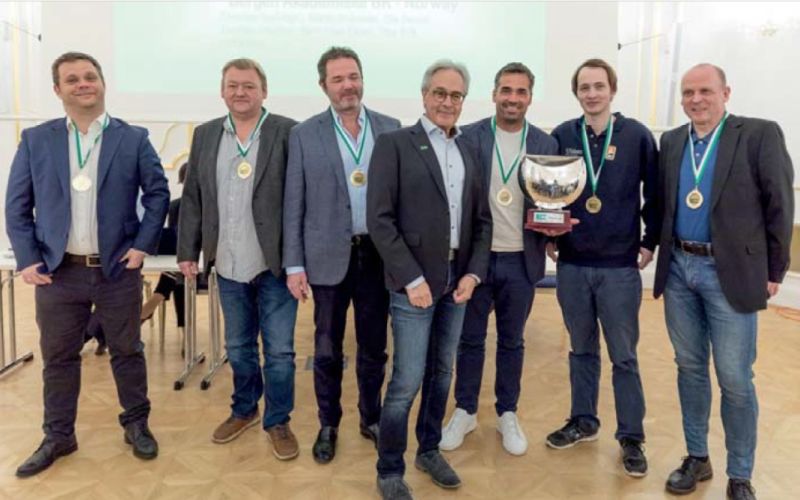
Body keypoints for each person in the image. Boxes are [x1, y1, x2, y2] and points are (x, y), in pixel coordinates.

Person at [6, 51, 169, 477]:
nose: (83, 84)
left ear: (102, 83)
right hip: (58, 273)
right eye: (72, 79)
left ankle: (136, 424)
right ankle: (59, 435)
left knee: (127, 351)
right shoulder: (36, 140)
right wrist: (28, 258)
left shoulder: (132, 138)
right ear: (57, 90)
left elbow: (157, 194)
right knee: (58, 357)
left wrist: (143, 245)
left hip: (117, 270)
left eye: (90, 76)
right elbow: (17, 205)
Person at [654, 63, 794, 500]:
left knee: (734, 377)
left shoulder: (758, 134)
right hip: (679, 270)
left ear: (725, 93)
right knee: (690, 368)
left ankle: (740, 474)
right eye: (688, 92)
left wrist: (774, 269)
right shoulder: (671, 141)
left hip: (729, 272)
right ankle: (697, 457)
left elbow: (779, 203)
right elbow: (661, 203)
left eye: (705, 91)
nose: (696, 99)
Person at [367, 59, 492, 500]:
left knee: (442, 373)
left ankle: (429, 450)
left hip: (458, 282)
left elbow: (482, 221)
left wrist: (474, 273)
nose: (447, 101)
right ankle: (389, 468)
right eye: (439, 92)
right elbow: (380, 220)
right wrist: (411, 278)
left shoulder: (470, 149)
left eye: (456, 95)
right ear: (424, 95)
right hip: (414, 286)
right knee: (406, 381)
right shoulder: (395, 144)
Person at [177, 58, 300, 460]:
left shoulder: (288, 131)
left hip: (275, 265)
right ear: (222, 91)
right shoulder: (206, 134)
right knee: (239, 347)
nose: (240, 92)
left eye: (248, 85)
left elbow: (301, 198)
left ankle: (278, 420)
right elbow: (193, 197)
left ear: (264, 91)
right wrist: (188, 250)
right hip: (228, 264)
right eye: (232, 85)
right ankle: (245, 409)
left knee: (279, 353)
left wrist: (300, 261)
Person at [283, 46, 401, 464]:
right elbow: (294, 203)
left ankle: (371, 417)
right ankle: (328, 424)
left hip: (378, 256)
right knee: (327, 349)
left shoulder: (391, 129)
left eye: (353, 76)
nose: (347, 85)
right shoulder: (304, 134)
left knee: (374, 347)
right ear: (324, 86)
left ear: (362, 79)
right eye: (338, 79)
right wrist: (294, 264)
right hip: (326, 258)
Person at [547, 58, 658, 477]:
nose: (591, 94)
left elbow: (656, 195)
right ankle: (583, 421)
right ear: (576, 93)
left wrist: (649, 242)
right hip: (573, 265)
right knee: (581, 349)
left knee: (624, 356)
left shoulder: (637, 136)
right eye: (584, 87)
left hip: (619, 268)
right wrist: (549, 235)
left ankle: (631, 437)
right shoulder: (562, 135)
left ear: (612, 89)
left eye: (598, 86)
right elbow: (548, 194)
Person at [440, 62, 558, 456]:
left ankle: (507, 412)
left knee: (512, 341)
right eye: (506, 90)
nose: (512, 98)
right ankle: (465, 410)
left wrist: (555, 226)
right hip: (476, 262)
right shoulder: (468, 137)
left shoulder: (545, 143)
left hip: (521, 260)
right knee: (469, 340)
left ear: (530, 98)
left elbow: (551, 204)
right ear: (494, 94)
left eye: (520, 91)